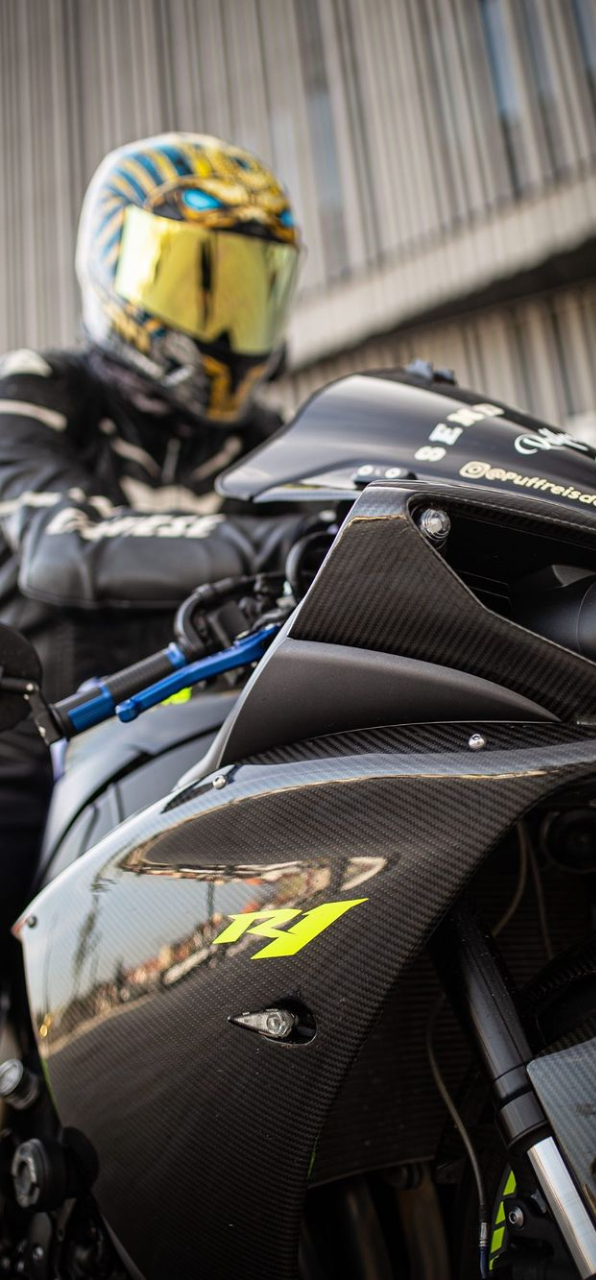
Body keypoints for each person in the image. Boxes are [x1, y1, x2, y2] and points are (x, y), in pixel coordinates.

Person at [0, 132, 304, 964]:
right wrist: (286, 538)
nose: (223, 323)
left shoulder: (272, 438)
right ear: (112, 269)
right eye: (194, 283)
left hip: (198, 734)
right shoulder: (37, 389)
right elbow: (62, 549)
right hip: (35, 733)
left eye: (245, 290)